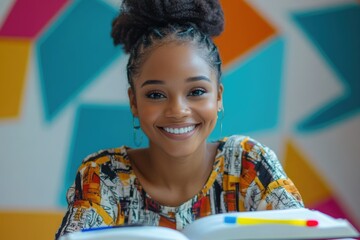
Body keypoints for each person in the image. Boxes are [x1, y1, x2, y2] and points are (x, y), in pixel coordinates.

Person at [55, 0, 304, 238]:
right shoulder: (105, 176)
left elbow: (307, 233)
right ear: (134, 102)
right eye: (156, 94)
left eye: (196, 92)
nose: (177, 110)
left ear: (218, 97)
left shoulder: (249, 165)